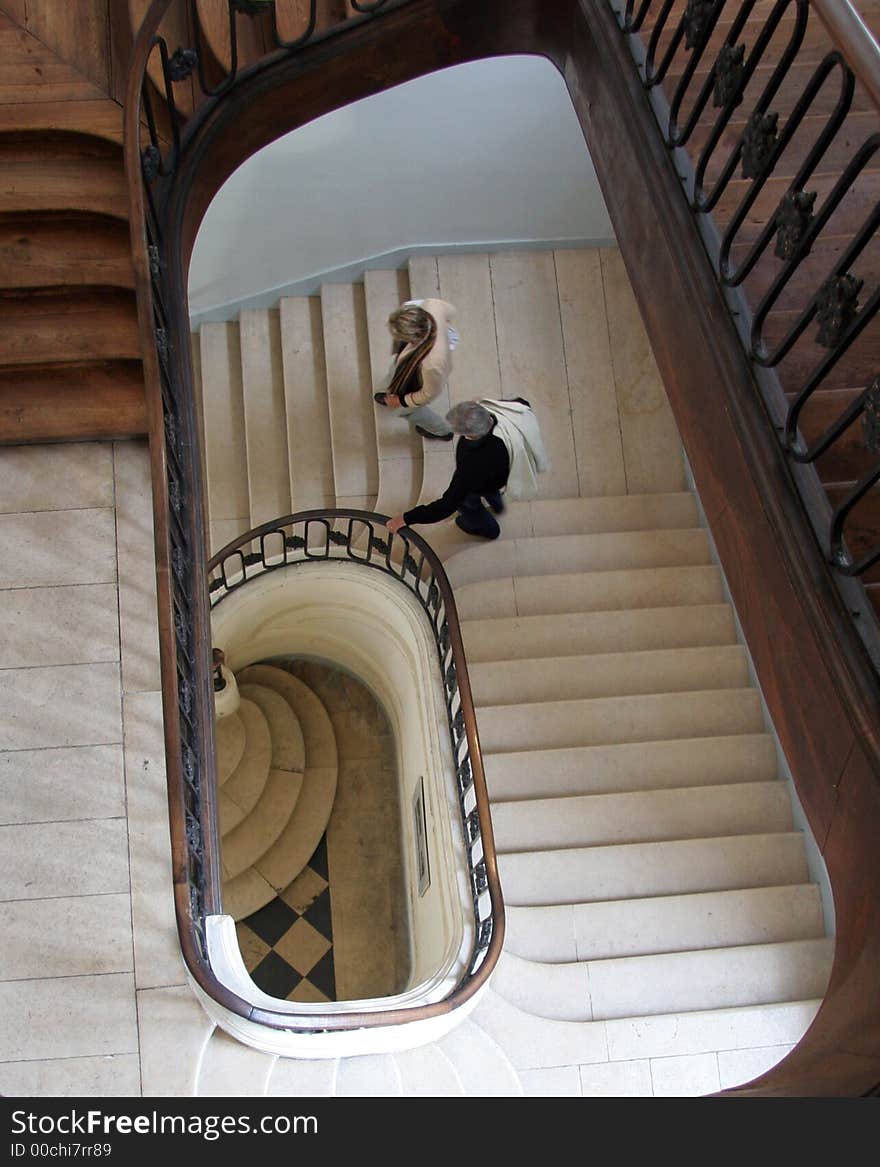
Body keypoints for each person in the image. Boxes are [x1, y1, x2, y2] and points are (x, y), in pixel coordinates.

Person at [386, 397, 546, 540]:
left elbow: (446, 505)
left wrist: (406, 518)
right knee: (493, 492)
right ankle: (497, 505)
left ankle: (477, 524)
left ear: (472, 435)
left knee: (470, 506)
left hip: (480, 484)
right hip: (503, 474)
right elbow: (523, 404)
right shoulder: (506, 411)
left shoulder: (472, 463)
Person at [373, 299, 458, 441]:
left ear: (414, 339)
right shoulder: (432, 306)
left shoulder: (432, 365)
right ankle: (388, 390)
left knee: (410, 411)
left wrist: (401, 401)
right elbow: (451, 311)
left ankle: (442, 431)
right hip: (407, 362)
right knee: (395, 370)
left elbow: (428, 394)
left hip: (417, 380)